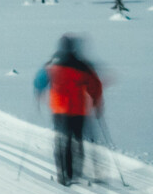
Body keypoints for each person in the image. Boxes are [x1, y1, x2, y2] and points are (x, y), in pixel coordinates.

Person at [33, 34, 103, 186]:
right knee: (77, 140)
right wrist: (96, 103)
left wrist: (38, 93)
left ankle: (64, 173)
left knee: (61, 140)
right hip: (78, 110)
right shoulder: (82, 65)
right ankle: (76, 171)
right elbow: (95, 85)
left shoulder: (51, 64)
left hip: (59, 110)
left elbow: (39, 81)